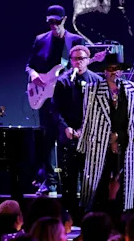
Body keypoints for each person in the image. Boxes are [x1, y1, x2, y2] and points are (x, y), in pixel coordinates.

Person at [26, 5, 87, 194]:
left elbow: (82, 66)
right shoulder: (40, 40)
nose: (53, 26)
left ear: (65, 20)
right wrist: (34, 74)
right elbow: (29, 65)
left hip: (67, 99)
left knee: (67, 139)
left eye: (57, 22)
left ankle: (72, 181)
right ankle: (49, 180)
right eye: (50, 22)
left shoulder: (76, 40)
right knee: (47, 138)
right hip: (45, 97)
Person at [79, 51, 134, 214]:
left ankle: (121, 218)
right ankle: (94, 217)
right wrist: (87, 143)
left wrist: (127, 140)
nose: (113, 72)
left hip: (126, 142)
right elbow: (88, 118)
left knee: (125, 185)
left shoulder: (133, 89)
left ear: (121, 70)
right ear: (104, 71)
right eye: (110, 68)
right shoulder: (92, 89)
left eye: (117, 68)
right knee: (98, 183)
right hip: (100, 142)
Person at [52, 44, 102, 219]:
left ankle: (88, 216)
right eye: (75, 59)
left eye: (82, 59)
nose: (78, 62)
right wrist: (66, 128)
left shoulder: (96, 81)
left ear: (88, 60)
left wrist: (86, 129)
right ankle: (70, 217)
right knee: (69, 180)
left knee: (89, 179)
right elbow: (56, 110)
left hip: (90, 138)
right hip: (69, 137)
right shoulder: (63, 81)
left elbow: (100, 110)